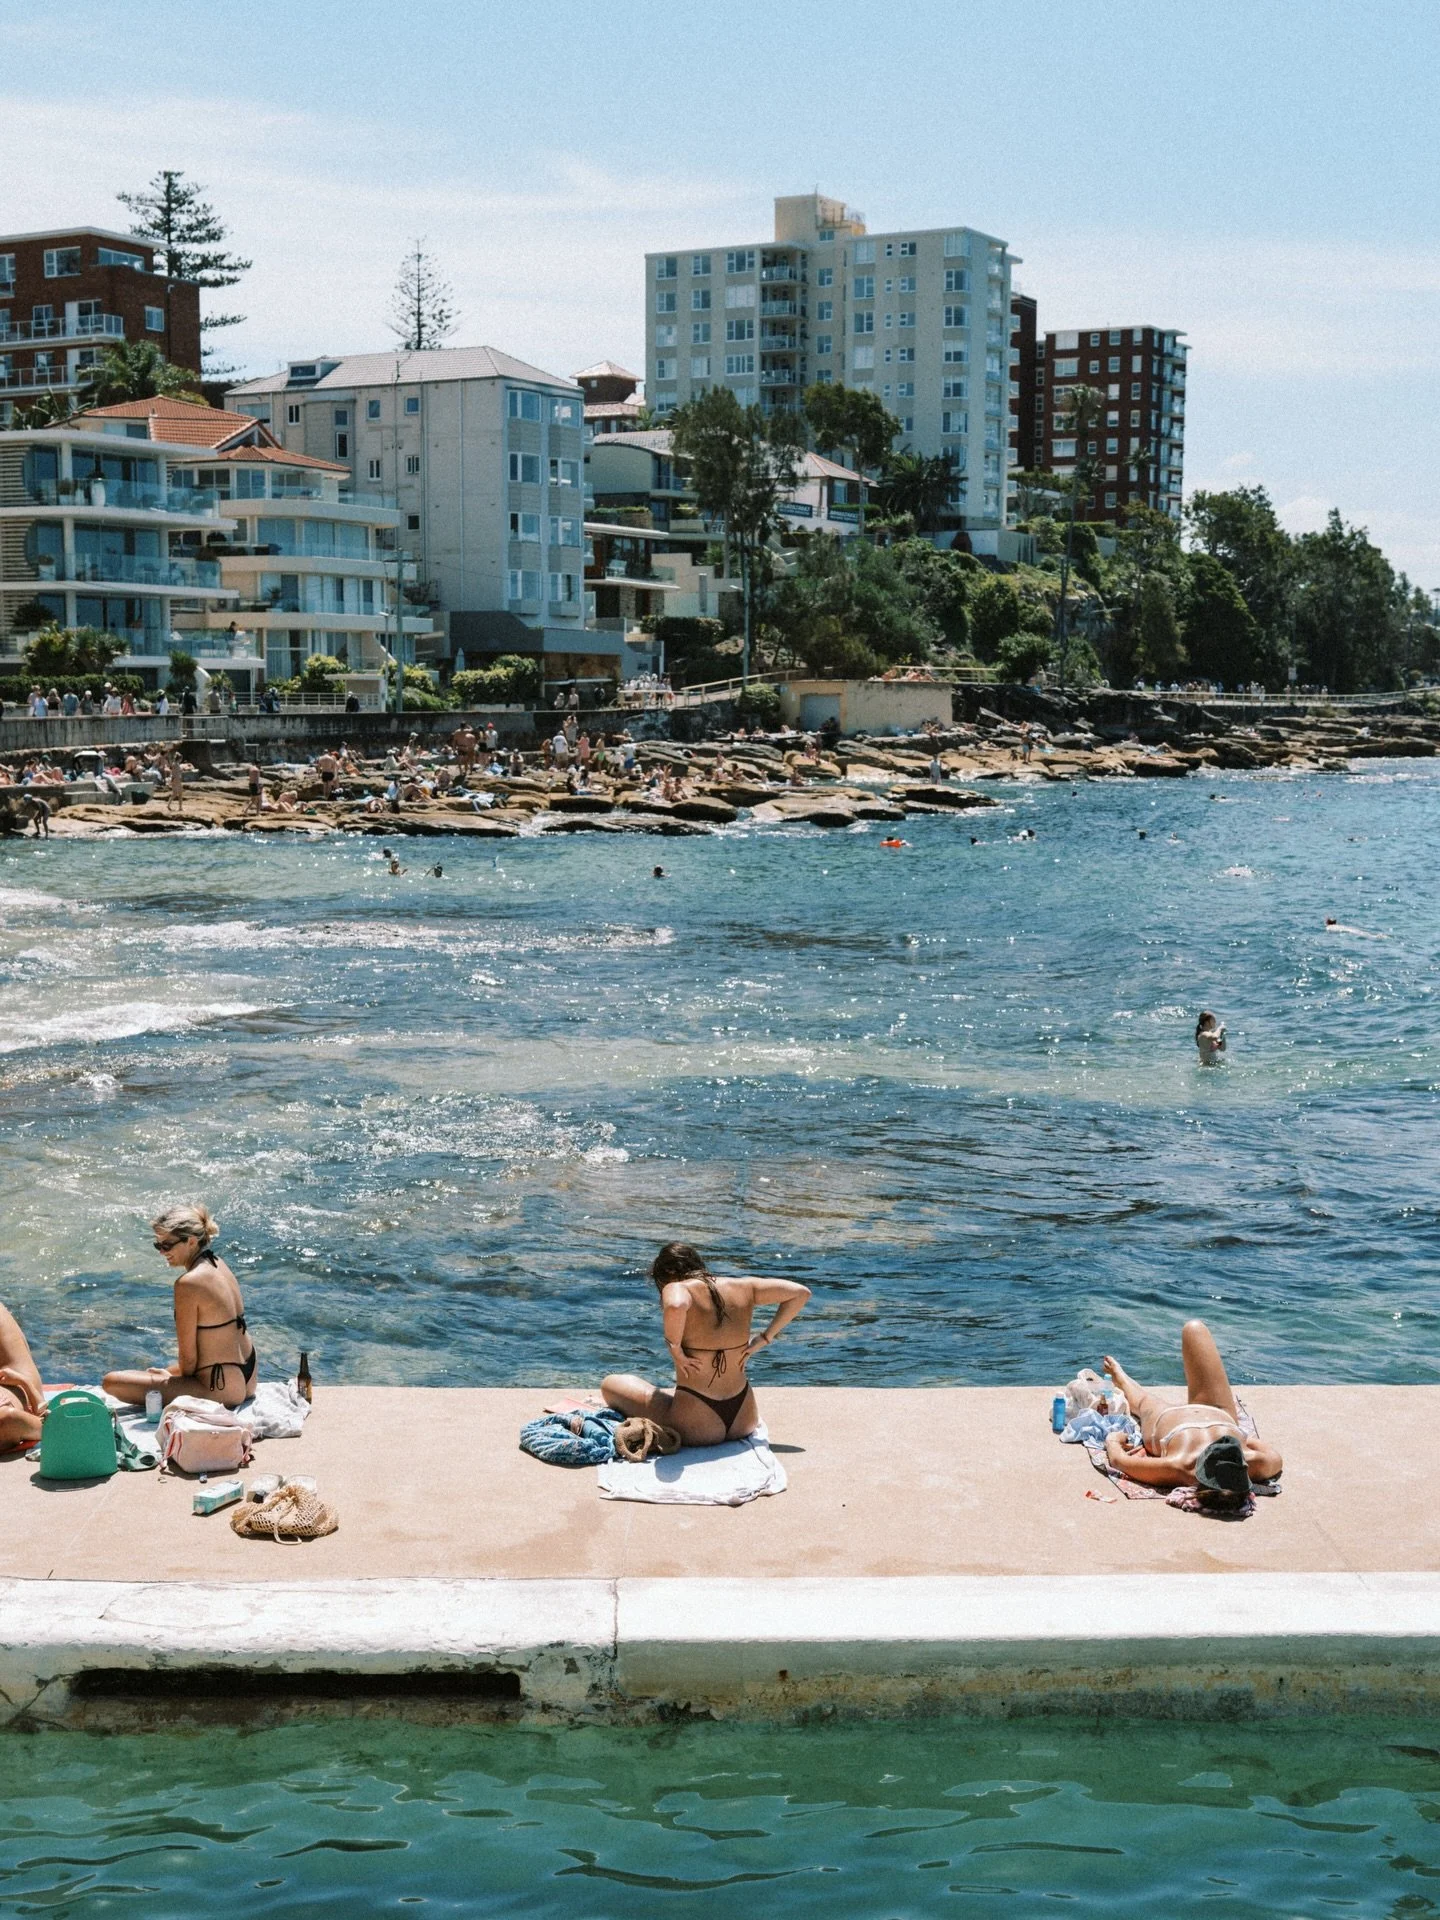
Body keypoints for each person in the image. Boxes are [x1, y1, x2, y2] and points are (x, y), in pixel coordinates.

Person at [601, 1242, 811, 1445]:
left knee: (611, 1384)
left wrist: (675, 1349)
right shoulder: (744, 1286)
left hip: (697, 1424)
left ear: (670, 1273)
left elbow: (675, 1305)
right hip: (744, 1418)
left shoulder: (678, 1287)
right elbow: (801, 1293)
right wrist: (765, 1338)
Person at [1100, 1321, 1282, 1508]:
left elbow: (1118, 1460)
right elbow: (1255, 1443)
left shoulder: (1178, 1467)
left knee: (1142, 1402)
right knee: (1194, 1328)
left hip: (1172, 1421)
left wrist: (1115, 1438)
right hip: (1218, 1412)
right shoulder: (1259, 1463)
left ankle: (1120, 1378)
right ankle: (1123, 1379)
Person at [102, 1205, 257, 1410]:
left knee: (112, 1382)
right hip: (248, 1376)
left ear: (191, 1241)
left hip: (220, 1386)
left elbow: (189, 1359)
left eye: (167, 1245)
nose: (162, 1252)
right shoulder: (218, 1264)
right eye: (158, 1245)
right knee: (158, 1373)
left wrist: (172, 1377)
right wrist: (169, 1374)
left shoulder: (188, 1284)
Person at [0, 1298, 46, 1455]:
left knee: (5, 1421)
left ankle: (50, 1427)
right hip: (16, 1381)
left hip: (12, 1379)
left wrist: (25, 1384)